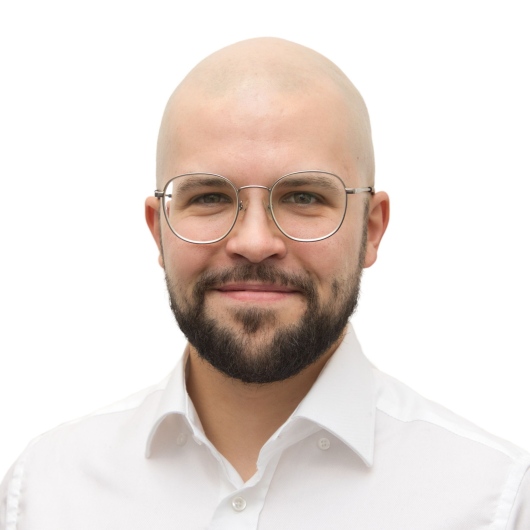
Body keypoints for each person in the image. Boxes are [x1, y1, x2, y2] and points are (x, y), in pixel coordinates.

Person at [1, 37, 528, 529]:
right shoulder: (43, 491)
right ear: (159, 231)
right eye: (209, 197)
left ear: (370, 229)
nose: (254, 242)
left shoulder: (494, 501)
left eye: (303, 197)